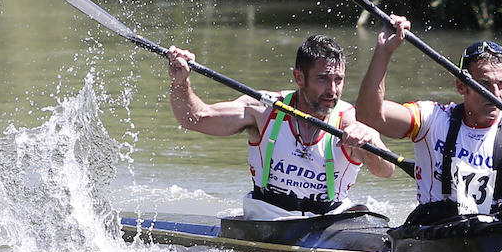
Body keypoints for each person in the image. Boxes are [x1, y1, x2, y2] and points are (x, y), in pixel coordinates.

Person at [166, 35, 397, 217]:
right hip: (268, 215)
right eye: (323, 79)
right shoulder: (263, 109)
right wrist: (180, 82)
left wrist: (369, 141)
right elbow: (195, 118)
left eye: (339, 80)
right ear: (299, 77)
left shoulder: (350, 121)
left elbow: (386, 171)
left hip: (329, 220)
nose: (333, 90)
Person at [356, 19, 502, 224]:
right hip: (436, 227)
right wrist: (384, 51)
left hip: (500, 231)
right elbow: (369, 116)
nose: (496, 94)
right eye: (485, 85)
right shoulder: (431, 119)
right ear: (461, 86)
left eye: (501, 84)